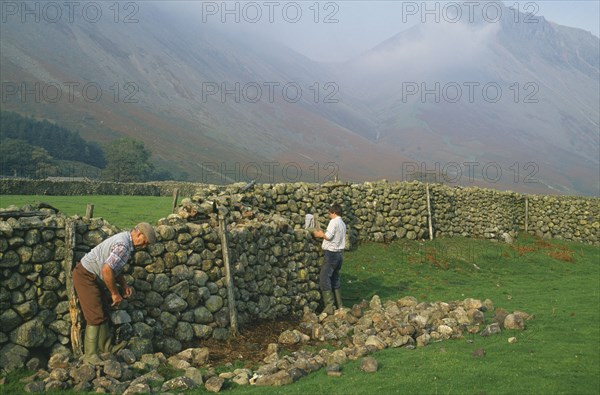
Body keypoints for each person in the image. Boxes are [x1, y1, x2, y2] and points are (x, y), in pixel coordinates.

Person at [73, 222, 157, 364]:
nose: (144, 246)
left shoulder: (125, 240)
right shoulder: (123, 246)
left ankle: (106, 349)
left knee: (103, 311)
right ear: (138, 233)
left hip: (93, 276)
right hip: (86, 276)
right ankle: (90, 355)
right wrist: (115, 293)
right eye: (145, 242)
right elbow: (107, 270)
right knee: (94, 316)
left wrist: (123, 285)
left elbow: (114, 267)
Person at [313, 204, 346, 312]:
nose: (329, 215)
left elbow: (328, 236)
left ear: (334, 213)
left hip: (331, 253)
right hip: (339, 254)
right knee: (335, 278)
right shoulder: (343, 223)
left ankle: (329, 306)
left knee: (324, 277)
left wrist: (320, 234)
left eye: (329, 213)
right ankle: (340, 305)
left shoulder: (334, 222)